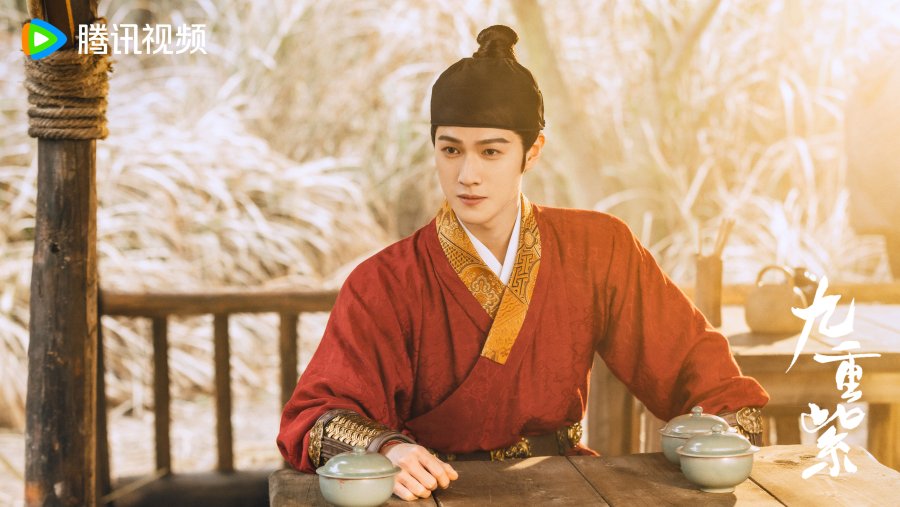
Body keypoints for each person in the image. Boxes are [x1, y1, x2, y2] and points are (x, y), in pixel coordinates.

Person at [278, 25, 769, 502]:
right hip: (433, 492)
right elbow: (315, 417)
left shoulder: (598, 247)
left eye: (491, 152)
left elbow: (697, 369)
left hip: (565, 486)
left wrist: (726, 430)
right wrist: (388, 448)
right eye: (451, 150)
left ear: (532, 152)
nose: (467, 175)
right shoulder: (384, 281)